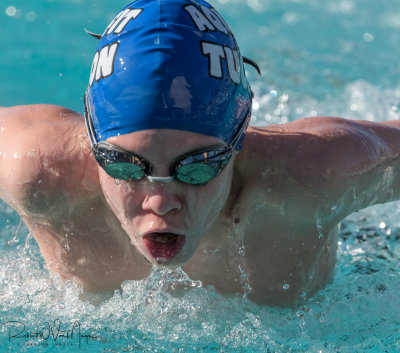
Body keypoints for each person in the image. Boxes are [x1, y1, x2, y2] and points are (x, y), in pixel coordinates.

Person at [1, 0, 400, 307]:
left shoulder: (312, 177)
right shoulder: (39, 170)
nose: (159, 200)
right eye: (124, 165)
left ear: (237, 144)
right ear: (93, 142)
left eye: (196, 167)